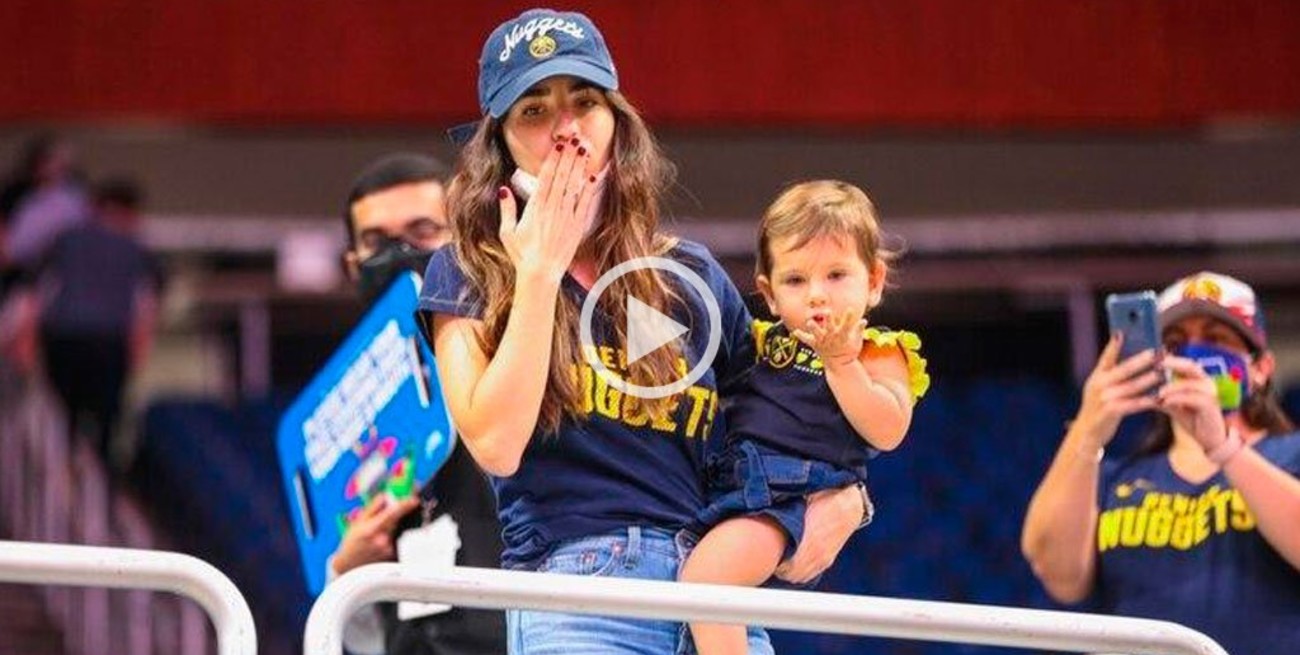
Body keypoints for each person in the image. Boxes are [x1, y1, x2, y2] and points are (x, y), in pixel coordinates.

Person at [418, 8, 868, 655]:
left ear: (617, 123)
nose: (566, 129)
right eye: (534, 111)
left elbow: (782, 416)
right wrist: (540, 271)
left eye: (584, 102)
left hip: (713, 586)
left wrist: (852, 496)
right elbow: (495, 442)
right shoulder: (467, 266)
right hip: (576, 587)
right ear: (501, 142)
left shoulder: (690, 274)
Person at [679, 181, 930, 654]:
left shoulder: (879, 350)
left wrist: (843, 363)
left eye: (837, 275)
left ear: (873, 282)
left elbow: (889, 429)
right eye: (796, 281)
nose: (817, 295)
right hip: (730, 488)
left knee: (706, 577)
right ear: (769, 294)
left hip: (790, 502)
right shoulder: (755, 342)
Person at [1021, 271, 1300, 655]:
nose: (1192, 354)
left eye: (1216, 339)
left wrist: (1223, 448)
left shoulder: (1291, 455)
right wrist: (1087, 429)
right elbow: (1057, 573)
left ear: (1261, 368)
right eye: (1174, 343)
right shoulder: (1116, 477)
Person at [331, 153, 506, 655]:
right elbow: (357, 639)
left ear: (467, 242)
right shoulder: (348, 406)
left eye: (422, 231)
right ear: (352, 265)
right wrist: (348, 573)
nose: (398, 253)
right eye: (376, 242)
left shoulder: (527, 355)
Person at [33, 177, 162, 466]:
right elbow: (147, 302)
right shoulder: (136, 251)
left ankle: (64, 475)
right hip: (106, 342)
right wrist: (139, 344)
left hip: (62, 339)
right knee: (104, 423)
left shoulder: (64, 241)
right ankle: (96, 479)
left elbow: (40, 294)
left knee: (64, 418)